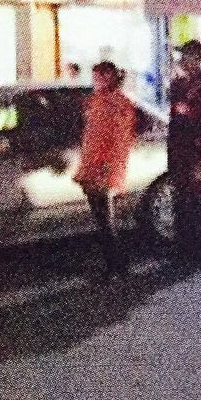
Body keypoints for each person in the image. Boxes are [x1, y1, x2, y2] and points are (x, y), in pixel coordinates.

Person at [73, 61, 136, 281]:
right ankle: (114, 265)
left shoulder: (119, 104)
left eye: (100, 76)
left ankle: (117, 267)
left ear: (110, 77)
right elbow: (90, 134)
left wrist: (108, 170)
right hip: (91, 166)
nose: (96, 81)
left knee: (107, 222)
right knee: (101, 221)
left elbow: (119, 142)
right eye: (96, 77)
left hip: (105, 170)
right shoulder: (94, 101)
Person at [168, 40, 201, 271]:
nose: (183, 62)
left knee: (197, 200)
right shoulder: (179, 84)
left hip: (196, 150)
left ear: (196, 60)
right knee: (180, 200)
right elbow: (175, 117)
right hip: (179, 149)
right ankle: (184, 248)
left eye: (187, 58)